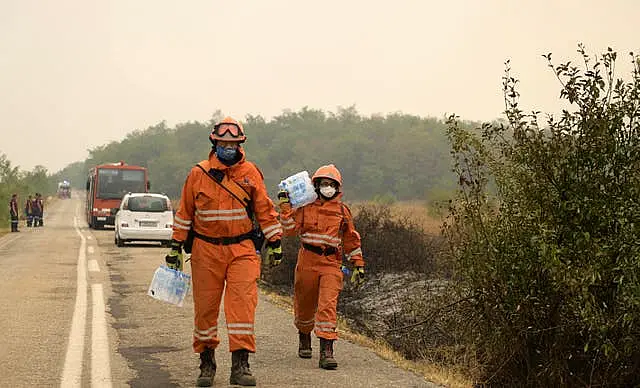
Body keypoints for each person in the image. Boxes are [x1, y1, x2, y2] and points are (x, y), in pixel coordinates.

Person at [165, 116, 283, 387]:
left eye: (232, 143)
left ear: (240, 144)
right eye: (222, 143)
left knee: (242, 308)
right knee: (205, 310)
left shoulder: (250, 173)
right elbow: (184, 213)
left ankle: (240, 366)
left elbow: (264, 209)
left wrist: (275, 242)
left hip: (241, 249)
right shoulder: (198, 174)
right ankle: (207, 364)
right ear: (214, 143)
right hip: (205, 250)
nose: (227, 147)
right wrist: (175, 247)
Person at [277, 164, 365, 370]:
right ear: (316, 186)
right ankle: (304, 335)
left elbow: (351, 239)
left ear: (337, 187)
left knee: (328, 305)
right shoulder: (305, 208)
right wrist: (285, 208)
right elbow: (289, 231)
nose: (328, 187)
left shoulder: (343, 211)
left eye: (331, 184)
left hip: (331, 263)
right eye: (324, 184)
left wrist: (358, 264)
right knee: (305, 302)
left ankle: (327, 351)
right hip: (307, 259)